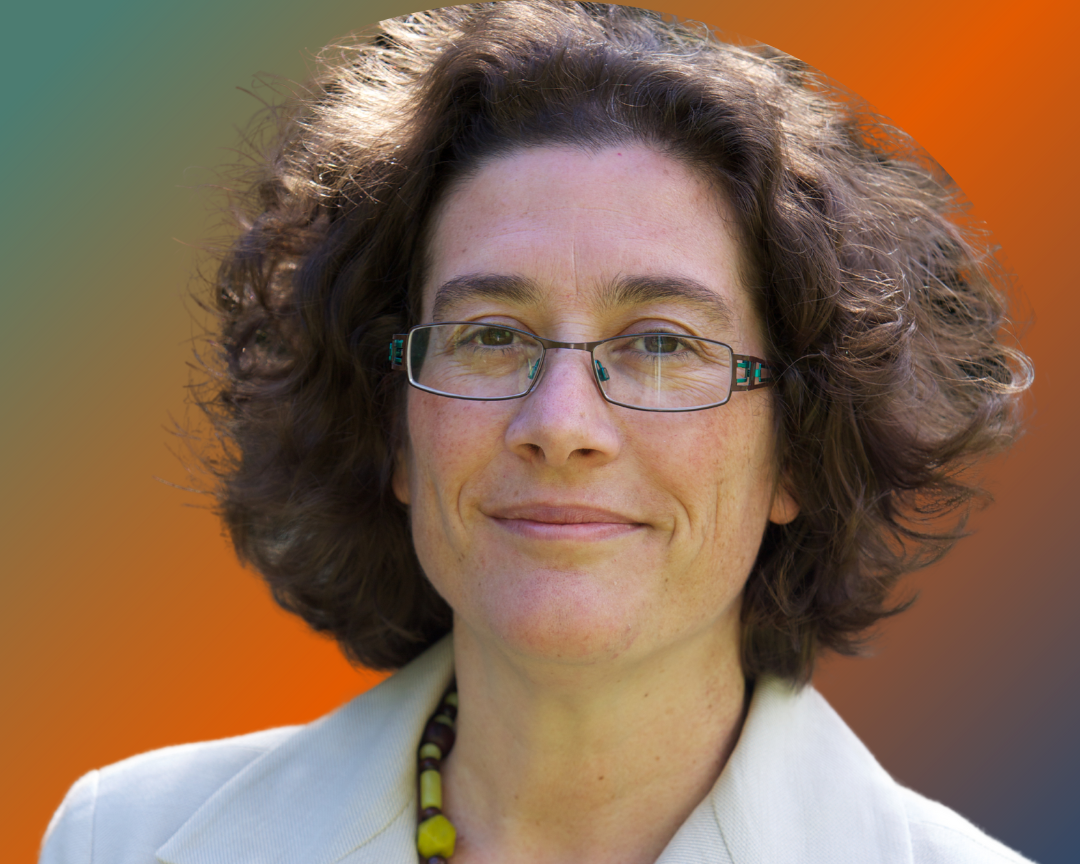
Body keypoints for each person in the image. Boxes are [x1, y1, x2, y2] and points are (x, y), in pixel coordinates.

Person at [40, 3, 1034, 863]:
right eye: (490, 336)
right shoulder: (119, 840)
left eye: (658, 343)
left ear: (798, 451)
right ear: (394, 427)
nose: (560, 425)